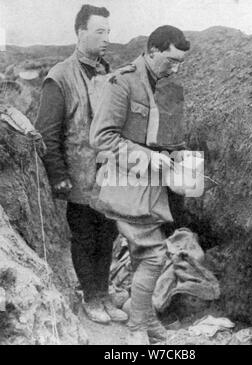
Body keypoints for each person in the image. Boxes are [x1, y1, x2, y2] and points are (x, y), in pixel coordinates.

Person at [90, 25, 190, 344]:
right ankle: (137, 328)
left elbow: (152, 131)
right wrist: (148, 157)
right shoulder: (124, 80)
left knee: (142, 255)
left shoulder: (156, 82)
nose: (174, 69)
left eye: (180, 64)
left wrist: (174, 153)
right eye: (170, 61)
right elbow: (102, 138)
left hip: (147, 185)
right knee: (153, 254)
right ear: (151, 51)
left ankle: (146, 320)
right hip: (125, 182)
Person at [35, 4, 127, 324]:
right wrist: (59, 176)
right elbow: (46, 133)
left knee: (107, 235)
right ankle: (91, 298)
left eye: (108, 32)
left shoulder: (107, 72)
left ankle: (102, 294)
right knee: (85, 237)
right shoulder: (59, 77)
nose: (106, 39)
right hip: (79, 176)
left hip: (108, 174)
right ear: (80, 33)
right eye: (99, 32)